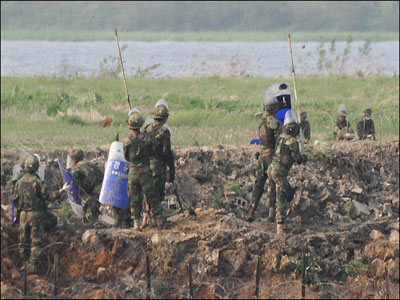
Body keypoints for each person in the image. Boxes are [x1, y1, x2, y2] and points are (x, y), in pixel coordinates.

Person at [13, 155, 58, 274]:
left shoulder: (18, 182)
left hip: (22, 215)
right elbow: (50, 196)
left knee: (23, 241)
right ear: (37, 167)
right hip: (35, 215)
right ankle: (32, 267)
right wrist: (62, 190)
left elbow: (16, 200)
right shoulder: (37, 182)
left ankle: (23, 264)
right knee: (35, 242)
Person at [267, 110, 308, 236]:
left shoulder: (281, 137)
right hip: (279, 171)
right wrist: (303, 158)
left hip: (271, 169)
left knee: (272, 190)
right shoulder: (292, 141)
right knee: (281, 197)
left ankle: (271, 214)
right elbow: (297, 158)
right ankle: (280, 228)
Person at [123, 109, 163, 231]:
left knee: (134, 199)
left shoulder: (127, 141)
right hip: (146, 171)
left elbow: (126, 157)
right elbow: (153, 151)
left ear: (129, 126)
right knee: (152, 197)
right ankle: (159, 221)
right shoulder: (148, 139)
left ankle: (137, 225)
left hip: (133, 172)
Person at [247, 95, 282, 222]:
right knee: (272, 185)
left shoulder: (261, 121)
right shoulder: (275, 123)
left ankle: (251, 211)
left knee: (259, 184)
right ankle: (271, 214)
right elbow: (279, 141)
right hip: (271, 156)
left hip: (261, 155)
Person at [67, 149, 103, 223]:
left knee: (89, 215)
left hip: (97, 192)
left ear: (74, 160)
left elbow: (72, 183)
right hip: (102, 189)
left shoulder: (77, 168)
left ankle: (95, 226)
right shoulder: (88, 164)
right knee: (85, 208)